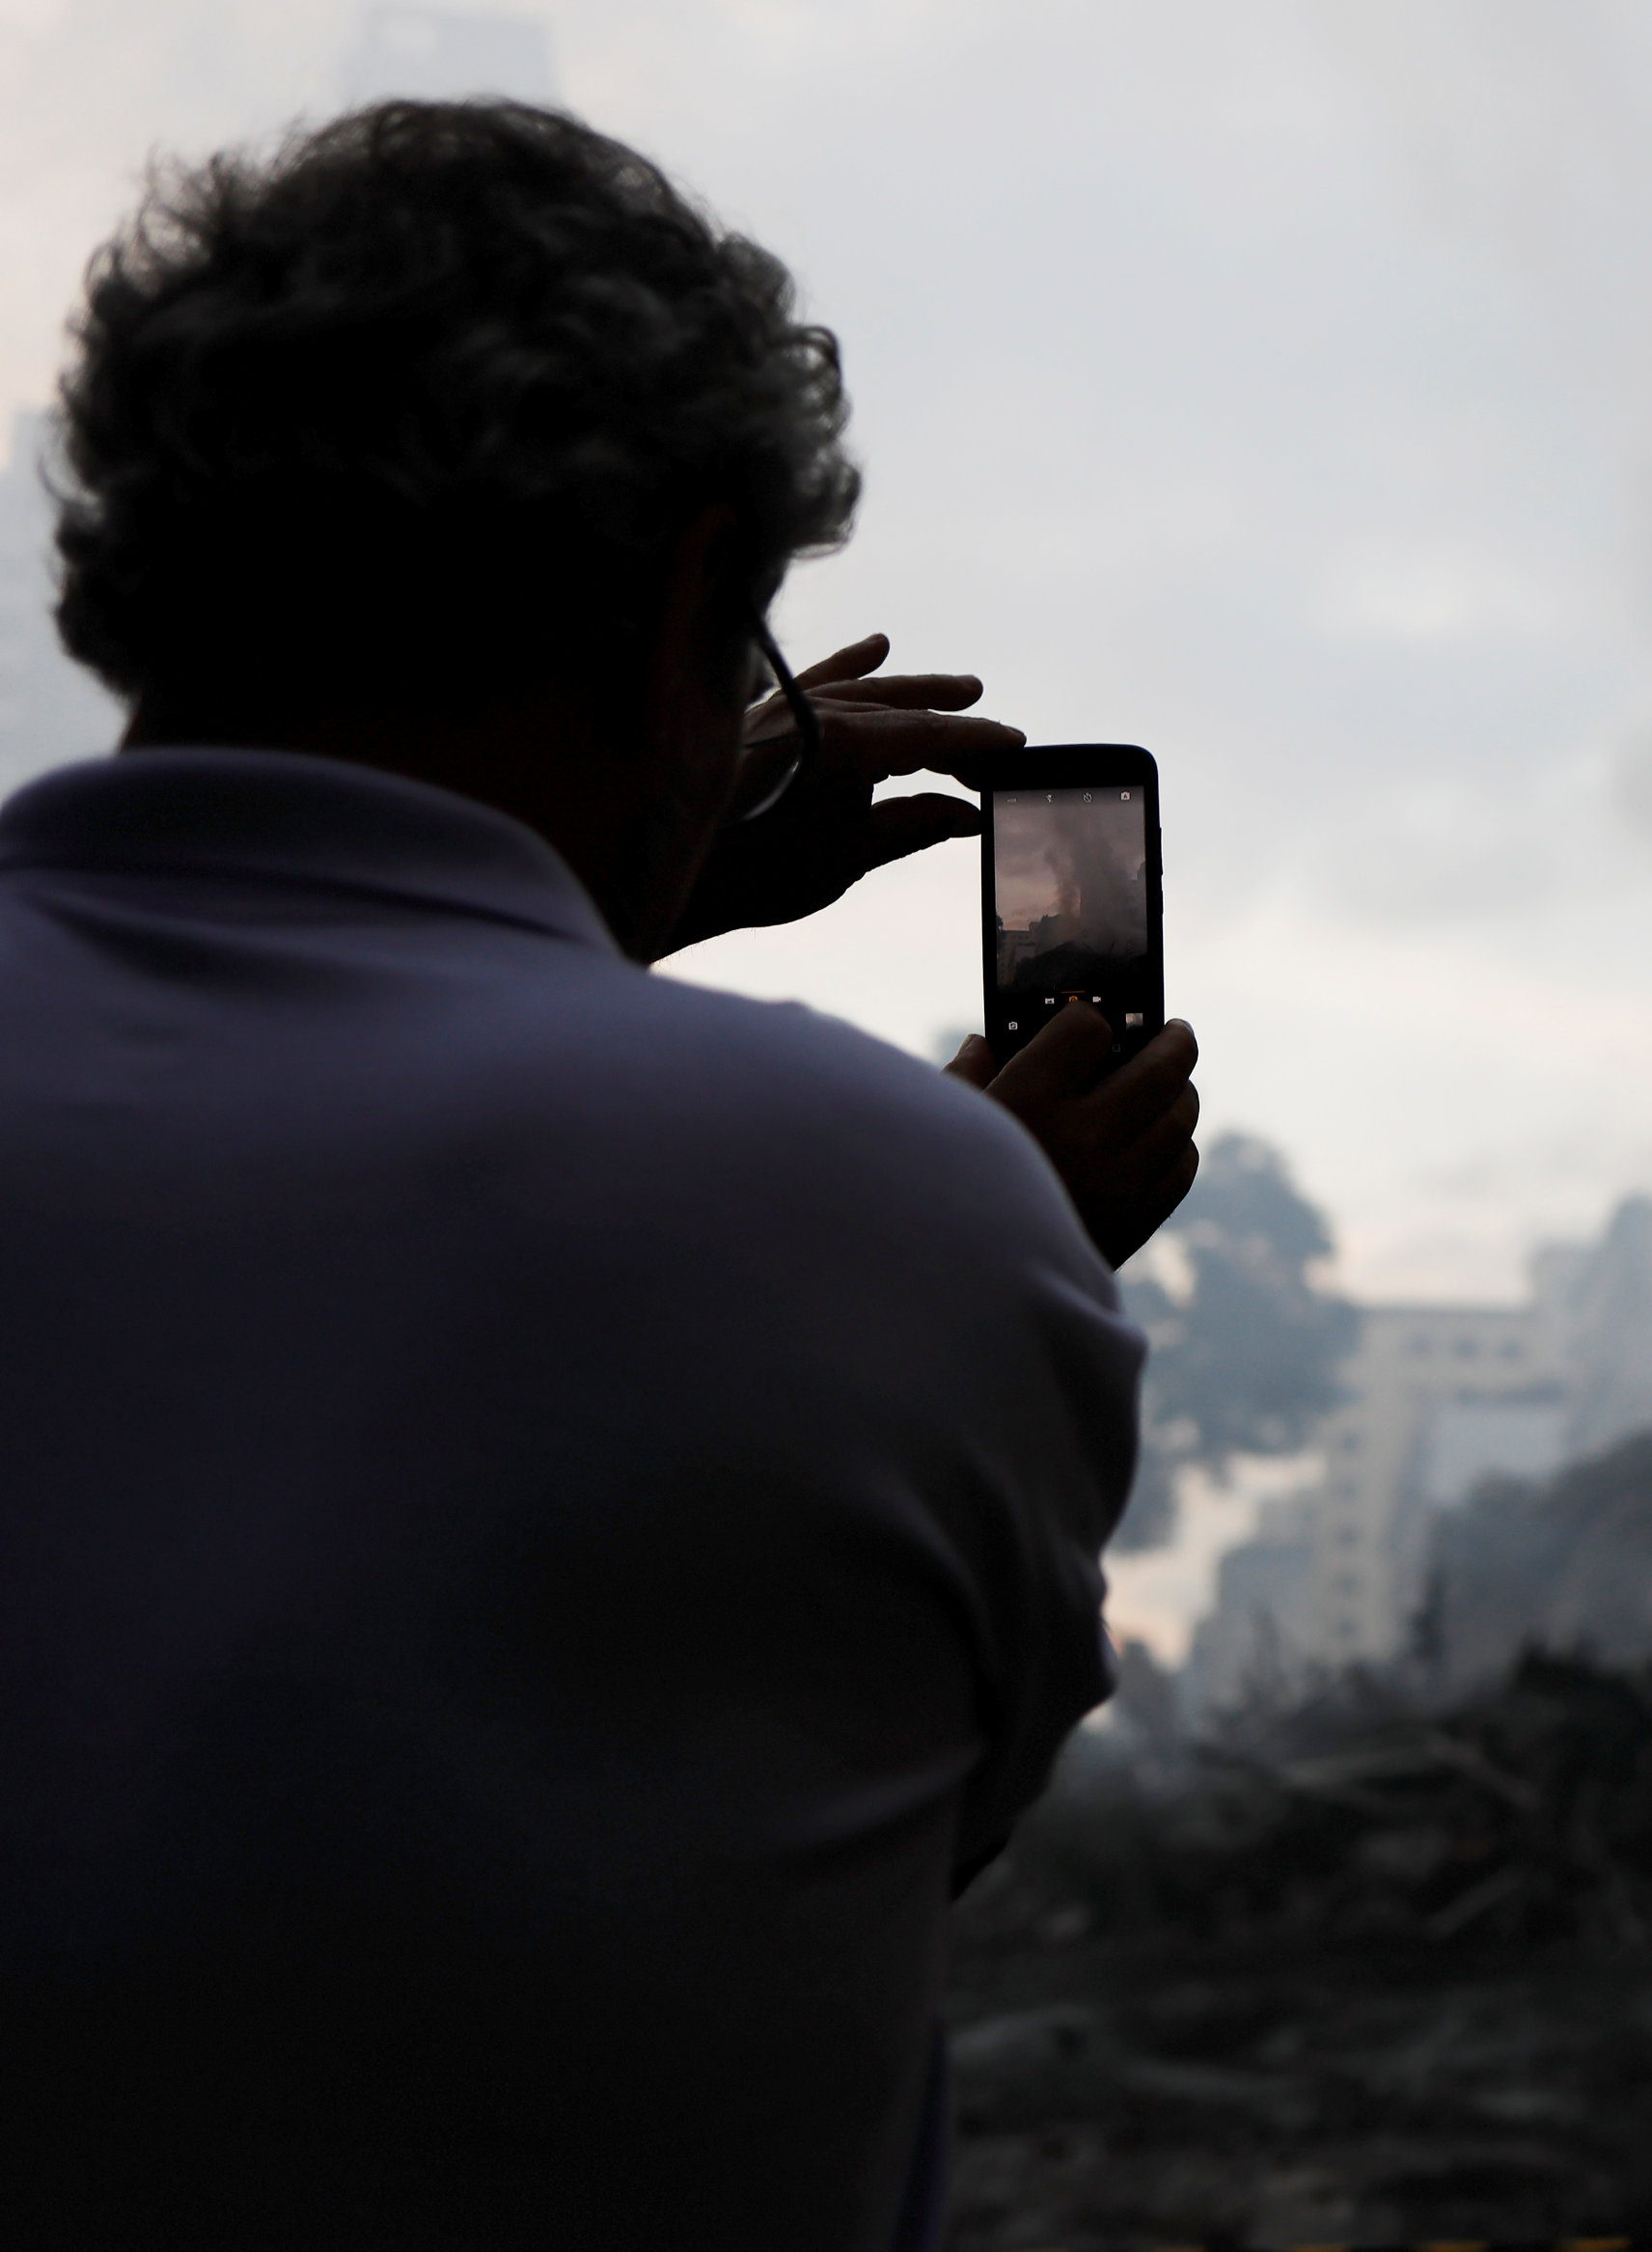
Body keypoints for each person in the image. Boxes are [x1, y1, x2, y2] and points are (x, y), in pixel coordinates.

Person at [0, 102, 1198, 2247]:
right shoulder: (891, 1220)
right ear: (676, 618)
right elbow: (884, 1825)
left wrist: (605, 896)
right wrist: (996, 1218)